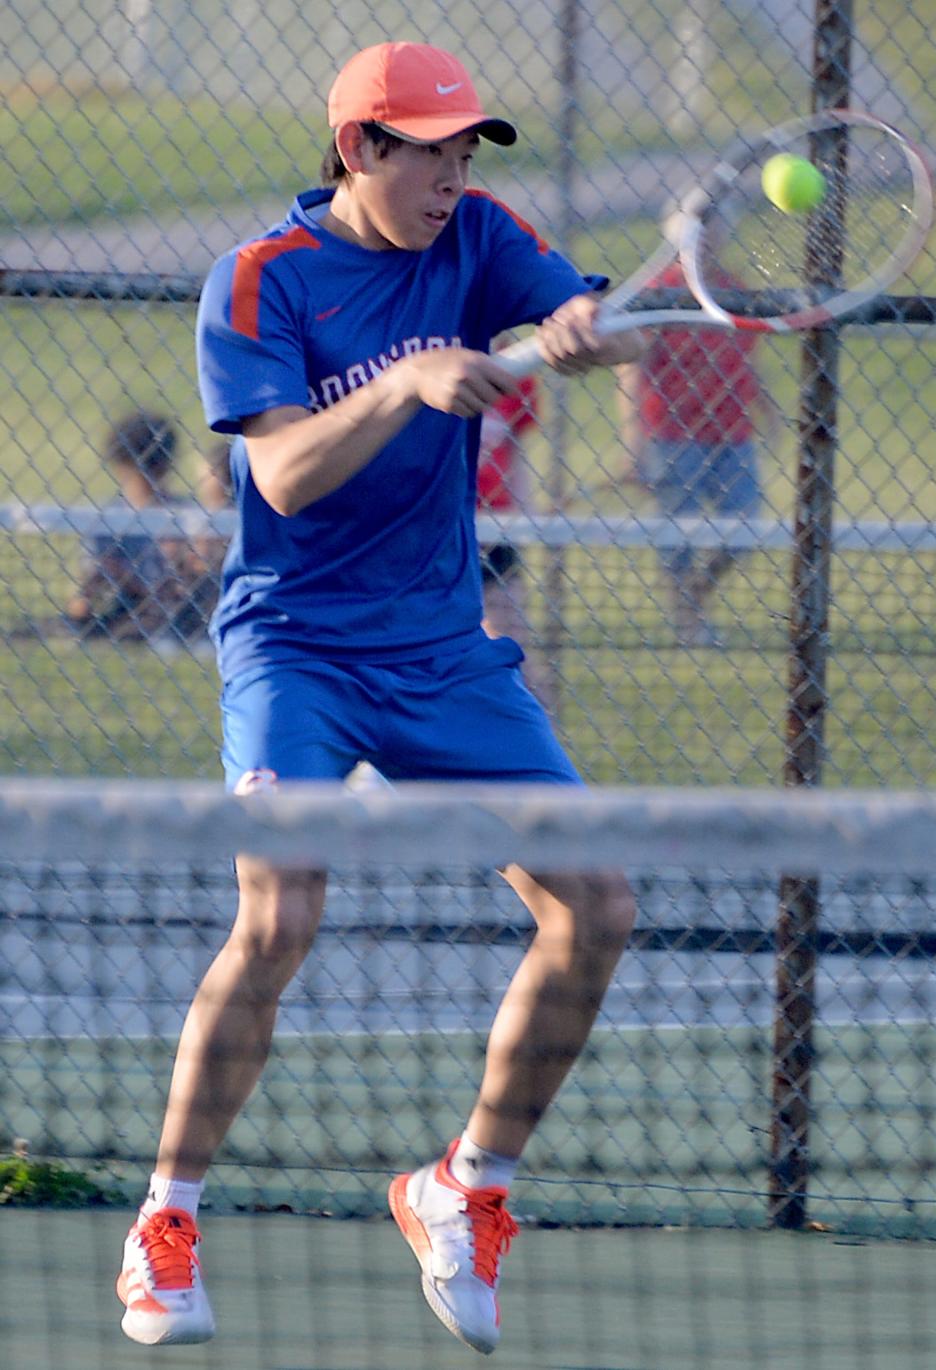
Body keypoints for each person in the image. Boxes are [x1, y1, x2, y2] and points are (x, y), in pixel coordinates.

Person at [115, 41, 644, 1356]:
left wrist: (584, 328)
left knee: (601, 903)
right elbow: (284, 477)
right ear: (360, 148)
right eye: (433, 153)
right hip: (294, 643)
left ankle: (466, 1186)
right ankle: (166, 1222)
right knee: (282, 908)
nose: (456, 177)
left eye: (470, 153)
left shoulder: (482, 239)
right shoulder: (258, 281)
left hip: (444, 650)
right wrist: (410, 380)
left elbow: (579, 311)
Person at [616, 213, 778, 646]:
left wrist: (771, 412)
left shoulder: (736, 289)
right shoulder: (661, 291)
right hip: (673, 432)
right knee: (679, 535)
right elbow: (633, 368)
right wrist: (634, 443)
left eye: (715, 227)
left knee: (746, 524)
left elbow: (749, 359)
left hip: (732, 432)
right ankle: (688, 617)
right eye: (696, 229)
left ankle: (698, 592)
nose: (707, 239)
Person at [64, 411, 222, 646]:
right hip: (128, 610)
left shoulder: (190, 518)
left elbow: (193, 581)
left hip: (183, 614)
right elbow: (83, 600)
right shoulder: (108, 521)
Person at [477, 372, 557, 709]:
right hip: (441, 523)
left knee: (509, 636)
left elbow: (516, 456)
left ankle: (542, 725)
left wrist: (526, 512)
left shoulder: (517, 373)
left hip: (497, 525)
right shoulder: (427, 358)